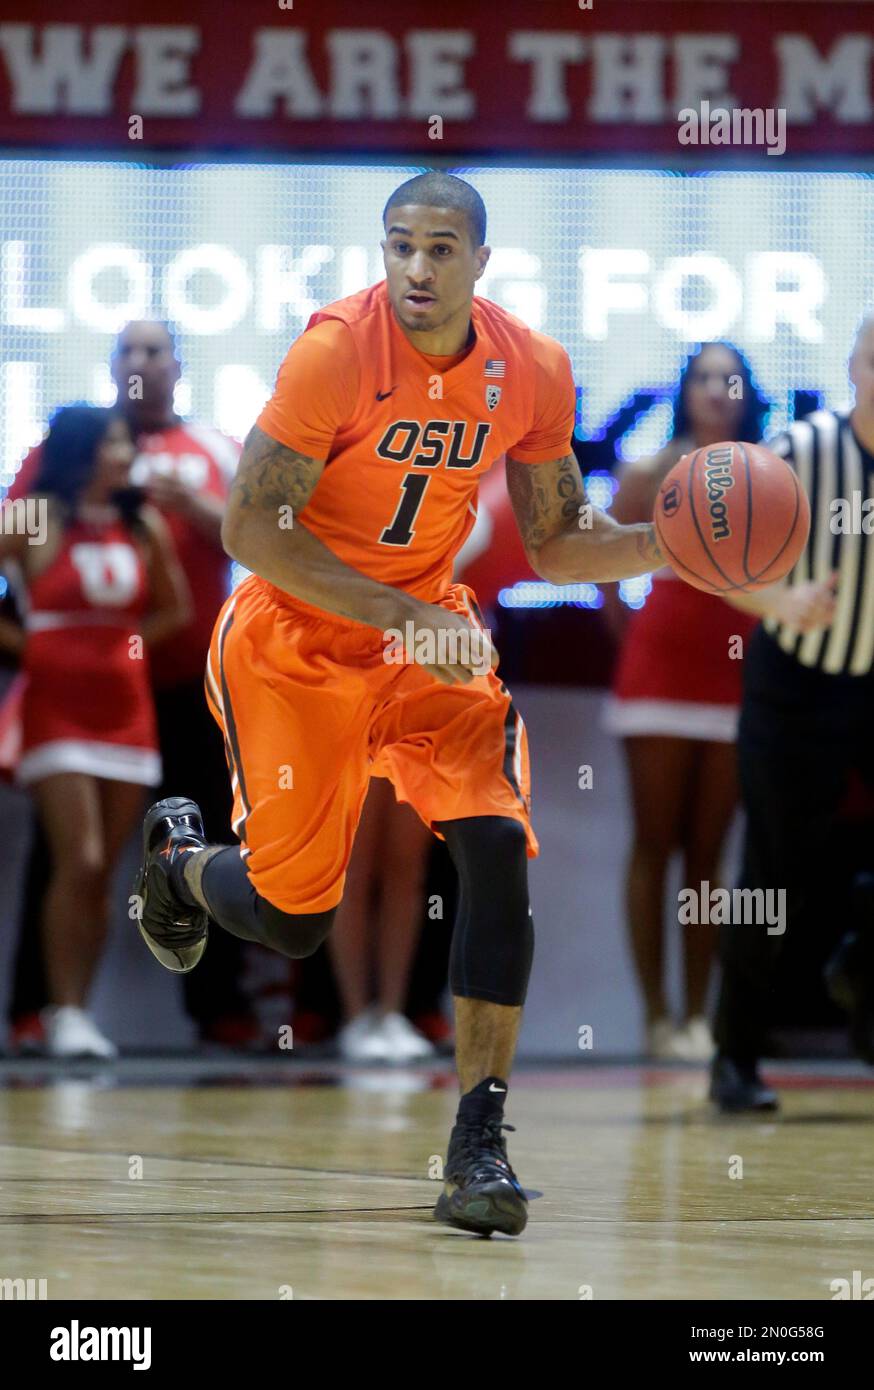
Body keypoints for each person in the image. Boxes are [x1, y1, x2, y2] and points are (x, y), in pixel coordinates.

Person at [131, 170, 671, 1238]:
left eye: (437, 249)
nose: (415, 268)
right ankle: (180, 867)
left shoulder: (531, 369)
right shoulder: (337, 349)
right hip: (299, 638)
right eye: (398, 246)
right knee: (293, 918)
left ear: (479, 260)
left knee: (492, 844)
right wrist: (394, 609)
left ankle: (478, 1135)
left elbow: (560, 536)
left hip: (429, 635)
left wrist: (671, 547)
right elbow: (249, 527)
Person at [6, 323, 256, 1052]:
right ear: (113, 366)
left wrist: (188, 506)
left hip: (186, 686)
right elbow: (22, 529)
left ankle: (220, 1010)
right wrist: (36, 645)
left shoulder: (210, 450)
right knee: (68, 855)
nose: (142, 363)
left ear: (178, 366)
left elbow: (259, 541)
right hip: (70, 696)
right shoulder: (68, 447)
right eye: (128, 351)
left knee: (199, 843)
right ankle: (38, 1010)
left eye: (156, 351)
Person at [711, 314, 874, 1112]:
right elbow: (706, 553)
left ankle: (860, 966)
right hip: (797, 684)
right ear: (854, 366)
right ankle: (734, 1056)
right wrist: (777, 596)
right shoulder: (800, 451)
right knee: (773, 872)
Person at [0, 405, 189, 1057]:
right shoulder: (33, 515)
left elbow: (176, 609)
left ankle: (77, 1012)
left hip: (127, 712)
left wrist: (125, 645)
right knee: (75, 857)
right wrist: (23, 642)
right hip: (56, 709)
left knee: (105, 869)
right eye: (114, 442)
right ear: (83, 449)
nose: (126, 453)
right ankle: (59, 1007)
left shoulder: (143, 525)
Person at [604, 345, 767, 1060]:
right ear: (684, 391)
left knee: (710, 855)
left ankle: (699, 1019)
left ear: (745, 394)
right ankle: (653, 1018)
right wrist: (635, 637)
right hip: (659, 673)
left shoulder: (770, 478)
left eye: (727, 379)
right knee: (654, 843)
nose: (715, 391)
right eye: (702, 378)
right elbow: (603, 569)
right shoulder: (649, 473)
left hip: (735, 677)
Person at [330, 775, 435, 1063]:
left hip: (413, 736)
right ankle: (356, 1016)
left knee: (407, 868)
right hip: (354, 734)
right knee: (352, 865)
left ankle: (392, 1012)